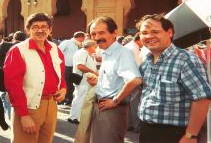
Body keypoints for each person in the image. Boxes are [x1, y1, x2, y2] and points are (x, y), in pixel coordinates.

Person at [136, 14, 211, 143]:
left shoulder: (186, 60)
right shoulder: (146, 62)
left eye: (155, 32)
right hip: (147, 130)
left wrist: (191, 135)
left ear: (169, 32)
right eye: (144, 33)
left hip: (174, 134)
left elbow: (202, 98)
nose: (149, 36)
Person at [4, 13, 67, 143]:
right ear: (28, 30)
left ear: (50, 30)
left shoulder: (55, 48)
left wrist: (63, 89)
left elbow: (60, 74)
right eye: (35, 27)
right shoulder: (18, 50)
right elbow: (13, 85)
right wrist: (24, 115)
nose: (40, 30)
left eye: (44, 27)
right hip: (29, 107)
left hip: (51, 106)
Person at [87, 16, 142, 143]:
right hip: (101, 108)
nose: (96, 37)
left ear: (114, 32)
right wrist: (98, 81)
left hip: (111, 111)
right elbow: (115, 79)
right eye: (93, 34)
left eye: (101, 32)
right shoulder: (107, 52)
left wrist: (115, 101)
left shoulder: (123, 53)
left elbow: (135, 80)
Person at [68, 39, 98, 124]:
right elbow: (80, 66)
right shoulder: (83, 53)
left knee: (79, 97)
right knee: (80, 98)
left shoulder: (82, 52)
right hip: (83, 80)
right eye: (95, 46)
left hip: (83, 79)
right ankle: (74, 117)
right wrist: (94, 73)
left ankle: (75, 117)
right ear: (91, 46)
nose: (95, 48)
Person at [59, 31, 86, 105]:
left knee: (73, 84)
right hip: (67, 67)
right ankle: (63, 99)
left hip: (75, 67)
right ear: (80, 38)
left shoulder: (80, 45)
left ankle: (69, 99)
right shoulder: (67, 42)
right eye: (83, 38)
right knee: (66, 83)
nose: (84, 40)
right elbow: (59, 52)